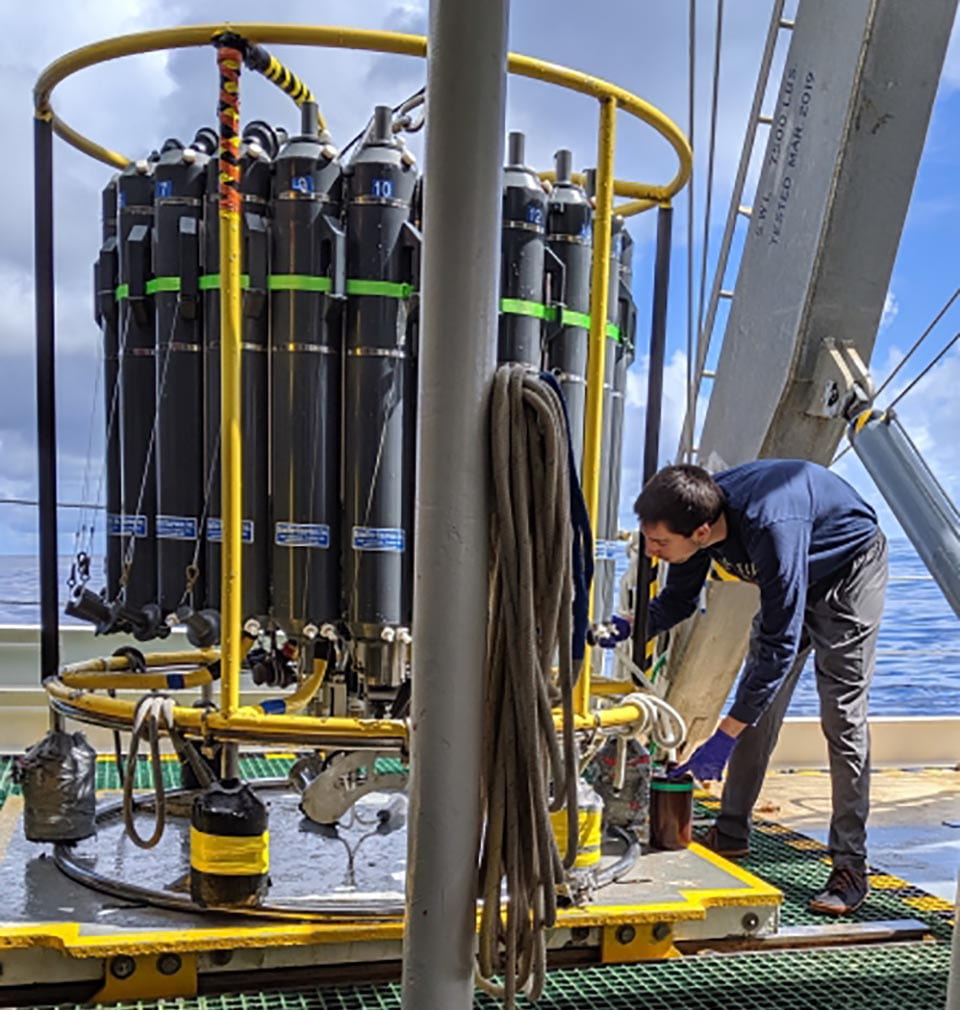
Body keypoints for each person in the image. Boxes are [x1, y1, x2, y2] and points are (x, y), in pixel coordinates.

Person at [598, 459, 888, 915]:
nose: (651, 552)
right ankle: (731, 831)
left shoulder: (770, 527)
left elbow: (779, 641)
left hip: (847, 572)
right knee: (755, 708)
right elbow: (677, 601)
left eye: (659, 543)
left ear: (699, 531)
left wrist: (723, 736)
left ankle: (851, 866)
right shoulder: (697, 516)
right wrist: (627, 627)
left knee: (842, 716)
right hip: (791, 576)